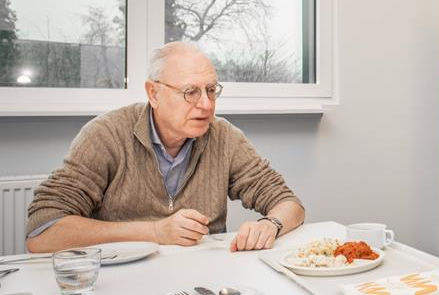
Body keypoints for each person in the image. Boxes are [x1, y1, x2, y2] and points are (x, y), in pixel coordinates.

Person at [26, 41, 306, 253]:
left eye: (211, 90)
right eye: (191, 92)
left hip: (201, 283)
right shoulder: (106, 135)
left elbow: (289, 203)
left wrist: (271, 224)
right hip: (119, 282)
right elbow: (43, 231)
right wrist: (155, 231)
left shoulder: (224, 137)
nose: (206, 105)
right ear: (154, 93)